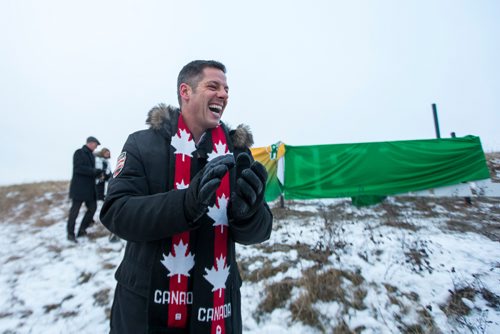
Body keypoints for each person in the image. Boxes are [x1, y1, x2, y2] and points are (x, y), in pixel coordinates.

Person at [100, 60, 273, 333]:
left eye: (226, 89)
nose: (224, 95)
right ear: (186, 91)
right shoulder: (142, 144)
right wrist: (184, 205)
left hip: (218, 307)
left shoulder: (237, 153)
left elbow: (261, 232)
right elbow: (116, 212)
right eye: (213, 86)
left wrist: (249, 215)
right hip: (145, 310)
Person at [67, 136, 102, 242]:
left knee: (92, 209)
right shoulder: (79, 152)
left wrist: (99, 174)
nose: (96, 148)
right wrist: (94, 171)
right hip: (79, 188)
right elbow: (78, 168)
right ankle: (70, 234)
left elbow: (91, 172)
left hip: (90, 189)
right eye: (95, 145)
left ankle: (82, 230)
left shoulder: (92, 156)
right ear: (90, 143)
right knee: (74, 212)